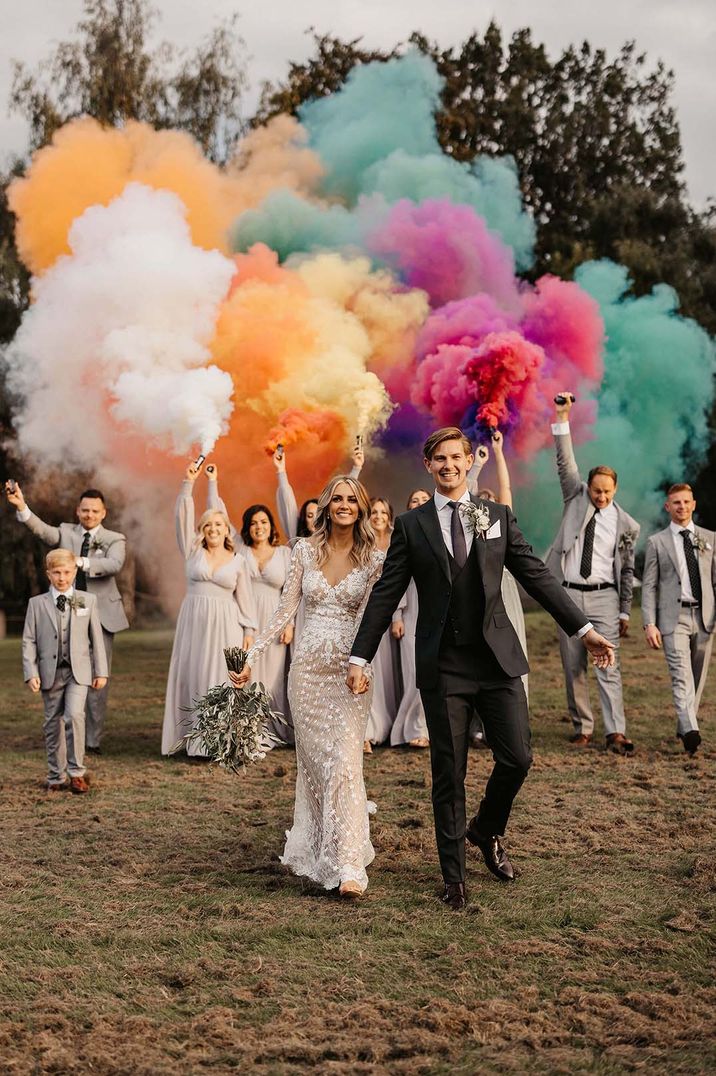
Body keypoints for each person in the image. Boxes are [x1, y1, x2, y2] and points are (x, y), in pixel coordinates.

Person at [347, 426, 614, 910]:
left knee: (518, 758)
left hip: (497, 662)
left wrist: (583, 629)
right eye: (439, 459)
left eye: (457, 457)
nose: (448, 465)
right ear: (429, 466)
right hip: (443, 666)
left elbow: (536, 575)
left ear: (471, 461)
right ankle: (455, 879)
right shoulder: (412, 525)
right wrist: (359, 655)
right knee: (449, 772)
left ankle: (486, 829)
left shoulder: (497, 516)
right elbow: (387, 593)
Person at [232, 475, 384, 898]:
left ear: (361, 507)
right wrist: (251, 657)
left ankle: (350, 863)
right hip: (307, 676)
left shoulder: (374, 558)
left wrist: (362, 662)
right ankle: (325, 849)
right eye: (336, 498)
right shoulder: (303, 550)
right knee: (318, 768)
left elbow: (370, 620)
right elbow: (283, 612)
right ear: (325, 505)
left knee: (345, 765)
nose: (343, 505)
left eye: (351, 500)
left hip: (350, 674)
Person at [546, 393, 640, 753]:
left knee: (608, 661)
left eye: (607, 491)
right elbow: (564, 461)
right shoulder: (576, 497)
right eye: (596, 490)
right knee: (573, 665)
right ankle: (582, 725)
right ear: (589, 487)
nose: (601, 496)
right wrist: (562, 417)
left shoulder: (627, 524)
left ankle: (615, 729)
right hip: (567, 592)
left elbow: (628, 567)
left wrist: (622, 610)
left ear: (616, 490)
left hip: (605, 595)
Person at [6, 481, 129, 753]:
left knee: (97, 675)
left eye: (95, 511)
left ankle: (92, 740)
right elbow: (42, 531)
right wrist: (22, 507)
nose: (89, 515)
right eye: (85, 510)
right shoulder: (64, 532)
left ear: (103, 513)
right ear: (77, 511)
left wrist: (80, 562)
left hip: (100, 615)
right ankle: (63, 734)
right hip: (63, 612)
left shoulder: (114, 539)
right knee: (63, 671)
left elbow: (114, 564)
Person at [161, 462, 257, 758]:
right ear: (202, 530)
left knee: (219, 677)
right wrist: (188, 484)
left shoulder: (238, 560)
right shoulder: (192, 550)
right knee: (193, 673)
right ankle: (193, 739)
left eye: (219, 525)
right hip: (195, 622)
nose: (214, 529)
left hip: (226, 624)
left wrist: (249, 632)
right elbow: (182, 516)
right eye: (208, 525)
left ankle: (220, 743)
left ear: (226, 530)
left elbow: (246, 600)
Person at [22, 549, 108, 793]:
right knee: (52, 724)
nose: (62, 577)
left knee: (74, 716)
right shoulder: (36, 604)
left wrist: (100, 671)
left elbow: (96, 639)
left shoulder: (85, 600)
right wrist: (31, 672)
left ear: (74, 572)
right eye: (57, 573)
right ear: (48, 574)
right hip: (49, 673)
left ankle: (76, 773)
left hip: (78, 673)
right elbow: (28, 640)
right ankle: (55, 775)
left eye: (67, 572)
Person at [641, 483, 716, 756]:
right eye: (676, 503)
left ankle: (685, 723)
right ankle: (692, 733)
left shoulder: (710, 538)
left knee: (697, 677)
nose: (681, 507)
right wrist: (650, 622)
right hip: (674, 618)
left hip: (705, 616)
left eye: (686, 502)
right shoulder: (657, 542)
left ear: (693, 504)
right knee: (681, 676)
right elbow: (649, 586)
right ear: (667, 507)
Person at [390, 489, 432, 749]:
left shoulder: (446, 534)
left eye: (424, 500)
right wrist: (397, 615)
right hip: (411, 614)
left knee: (434, 674)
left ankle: (427, 727)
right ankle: (411, 728)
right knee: (415, 675)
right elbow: (397, 580)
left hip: (438, 614)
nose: (419, 504)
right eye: (414, 500)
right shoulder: (405, 535)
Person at [363, 497, 401, 752]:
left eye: (383, 512)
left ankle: (391, 725)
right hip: (367, 608)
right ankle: (368, 728)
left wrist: (398, 615)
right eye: (374, 512)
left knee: (390, 670)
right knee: (369, 667)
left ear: (390, 516)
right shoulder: (362, 543)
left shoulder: (399, 539)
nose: (378, 516)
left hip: (394, 610)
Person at [274, 441, 365, 543]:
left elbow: (344, 495)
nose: (315, 519)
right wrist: (281, 470)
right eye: (310, 516)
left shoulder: (334, 542)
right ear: (304, 521)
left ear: (326, 516)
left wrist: (357, 468)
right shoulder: (298, 543)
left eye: (318, 514)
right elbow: (287, 503)